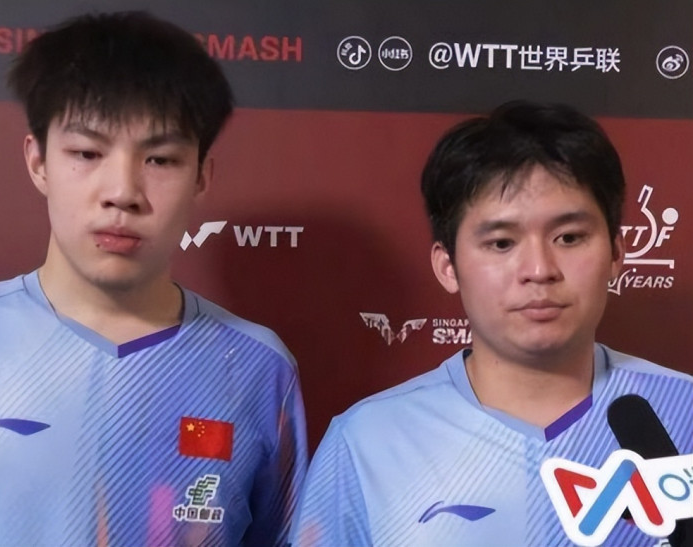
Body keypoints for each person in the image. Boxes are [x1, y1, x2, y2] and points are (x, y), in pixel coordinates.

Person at [289, 101, 693, 546]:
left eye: (569, 237)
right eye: (501, 243)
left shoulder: (683, 411)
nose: (539, 269)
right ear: (447, 266)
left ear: (616, 254)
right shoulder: (368, 441)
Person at [0, 12, 307, 547]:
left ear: (201, 176)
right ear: (38, 162)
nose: (122, 192)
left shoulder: (258, 369)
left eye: (160, 159)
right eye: (87, 153)